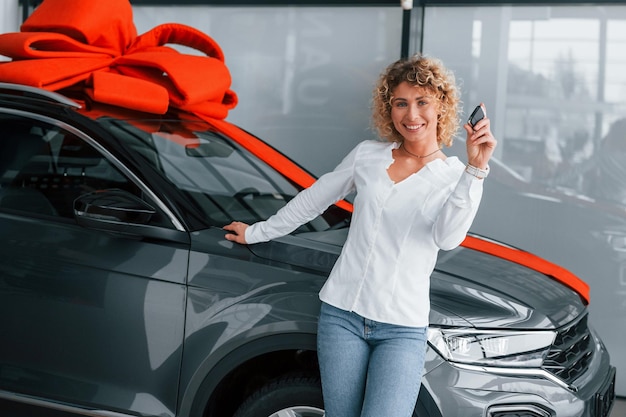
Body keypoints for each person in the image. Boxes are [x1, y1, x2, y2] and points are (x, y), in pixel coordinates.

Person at [224, 54, 497, 417]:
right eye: (400, 103)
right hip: (342, 316)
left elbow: (447, 238)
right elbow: (312, 201)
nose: (411, 115)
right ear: (389, 108)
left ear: (441, 106)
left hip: (402, 328)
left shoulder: (456, 177)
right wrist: (257, 232)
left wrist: (476, 169)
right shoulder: (367, 156)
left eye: (422, 102)